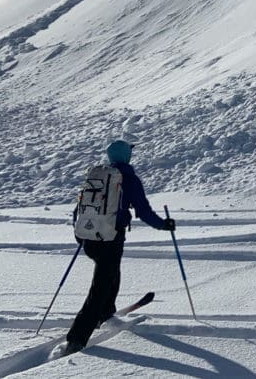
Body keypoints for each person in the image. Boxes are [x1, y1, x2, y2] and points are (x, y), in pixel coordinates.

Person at [65, 139, 175, 352]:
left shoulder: (97, 176)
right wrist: (163, 225)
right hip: (110, 238)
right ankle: (77, 338)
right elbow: (143, 211)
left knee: (111, 274)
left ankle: (106, 312)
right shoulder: (129, 179)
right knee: (100, 287)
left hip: (89, 237)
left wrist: (82, 235)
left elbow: (77, 209)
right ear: (126, 156)